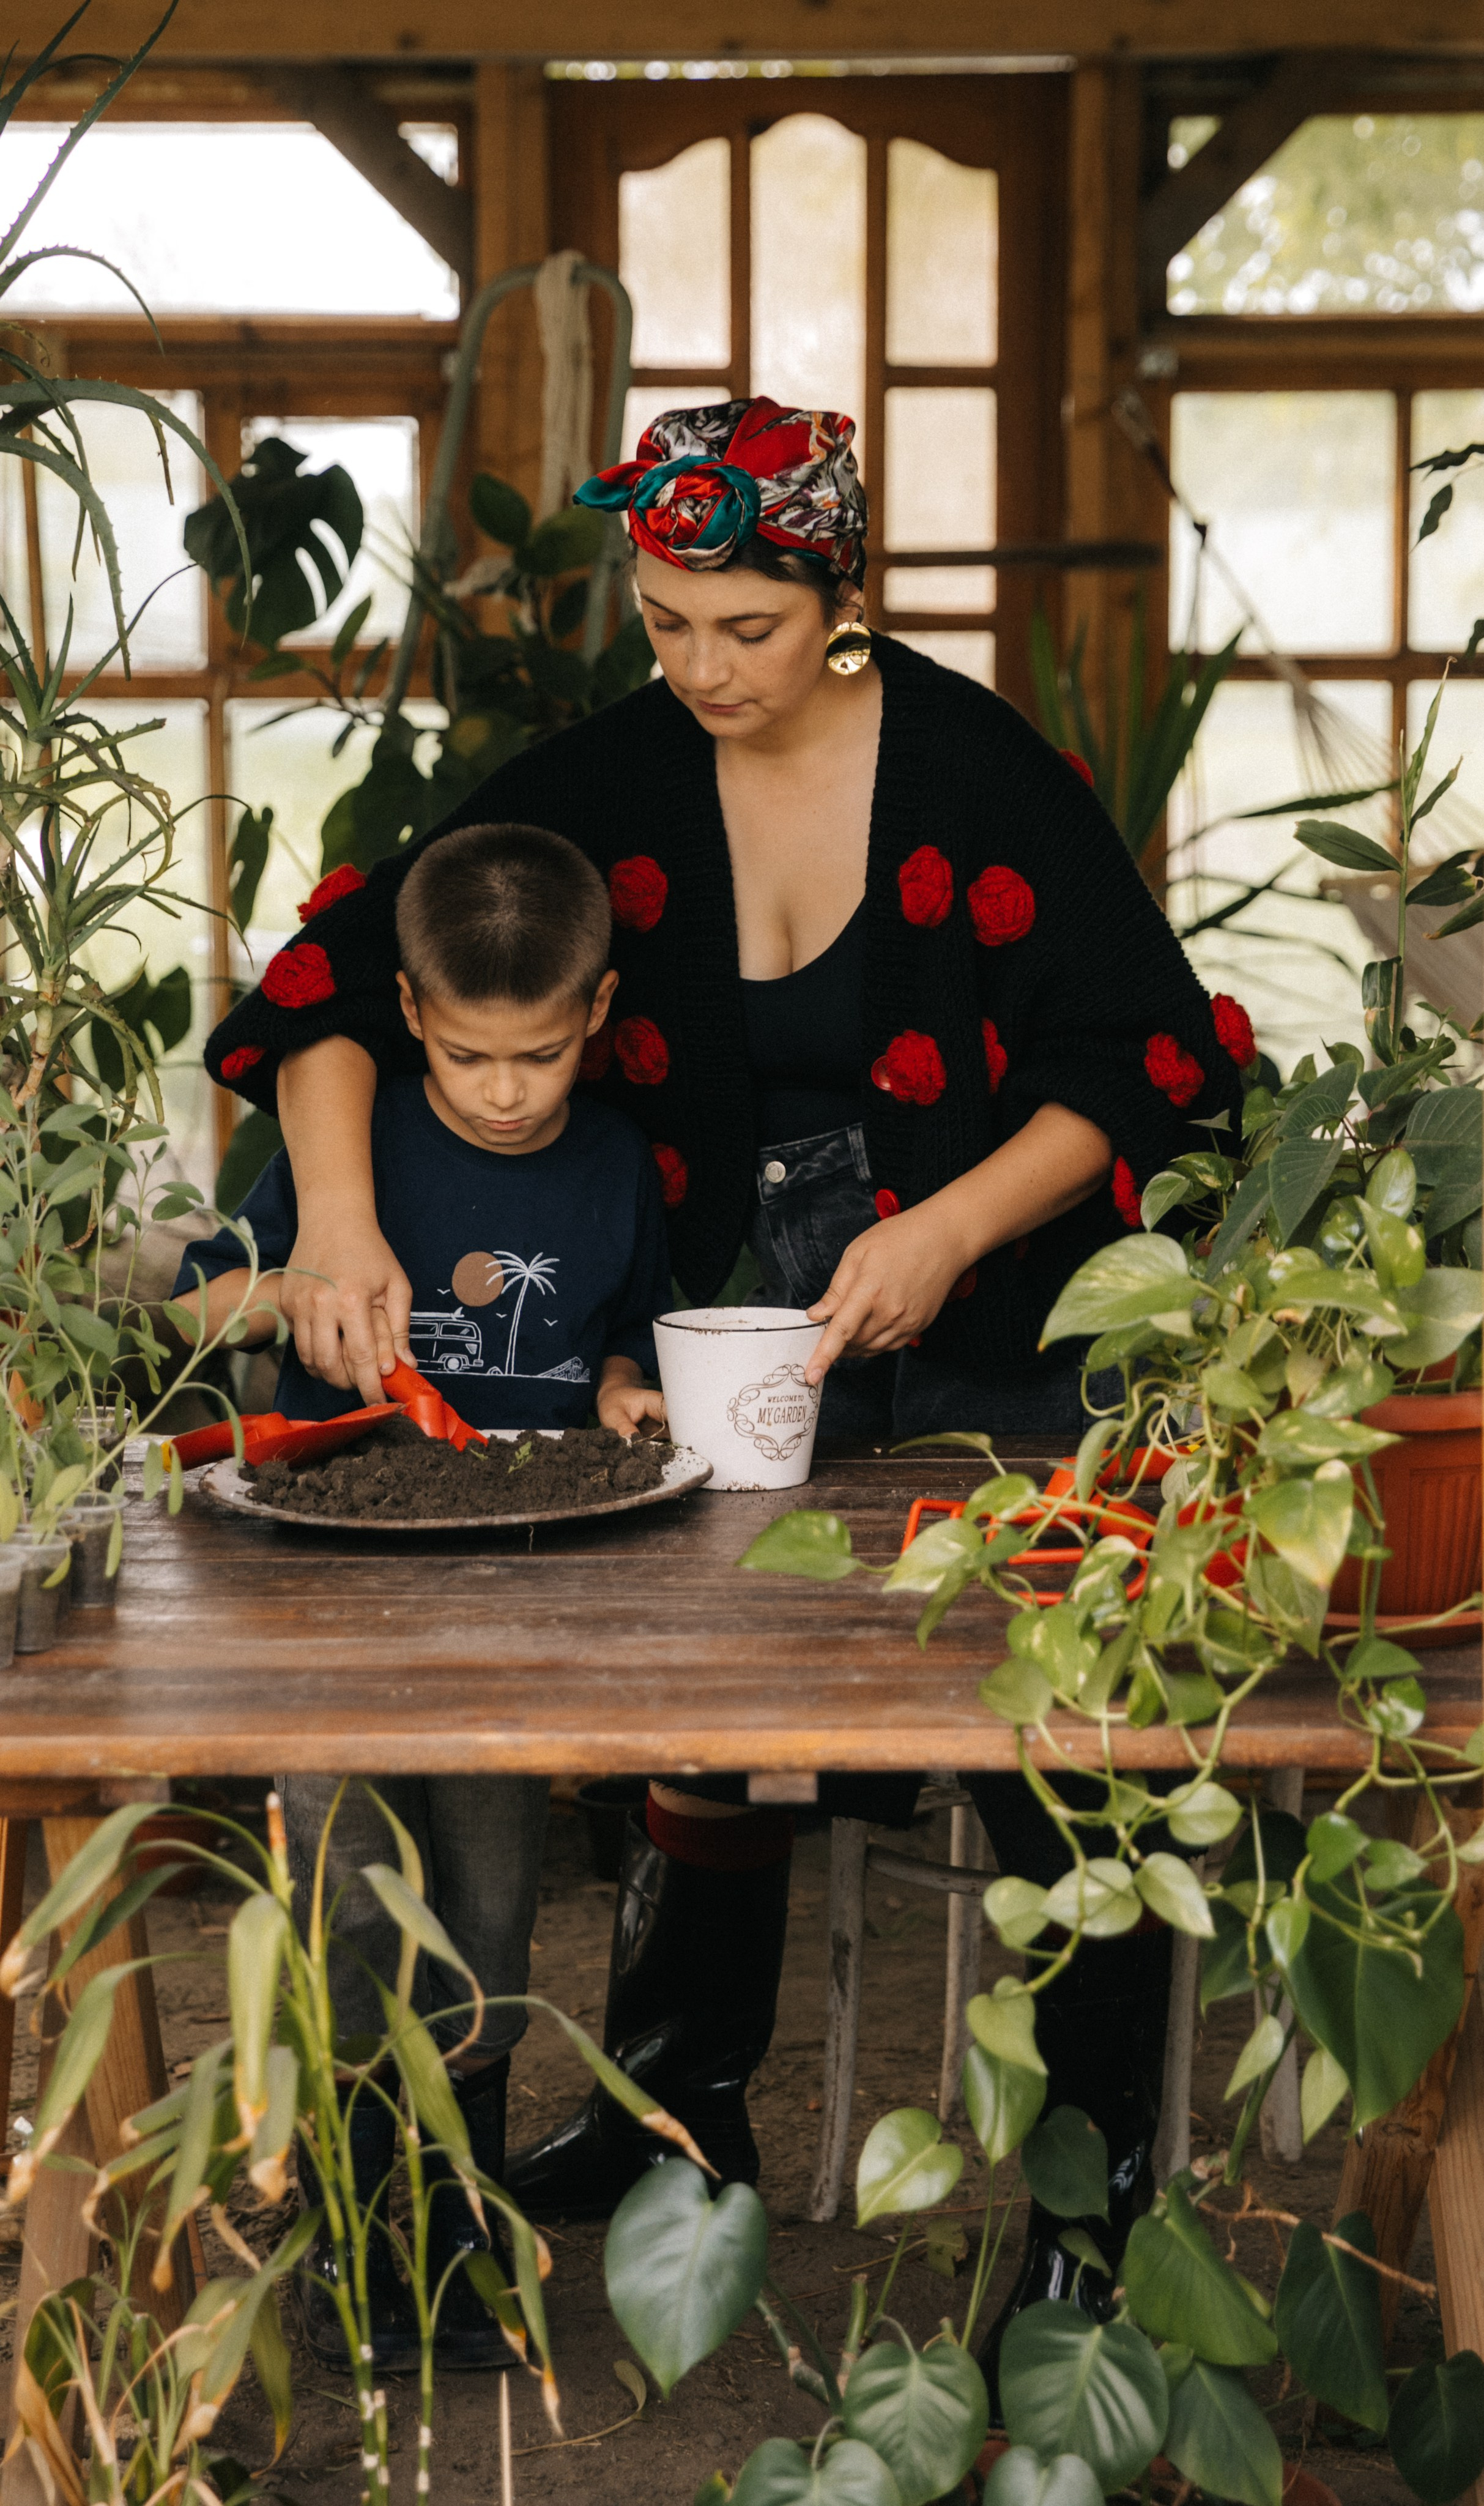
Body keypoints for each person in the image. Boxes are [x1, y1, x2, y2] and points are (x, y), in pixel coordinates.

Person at [205, 396, 1248, 2363]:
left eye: (743, 629)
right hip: (721, 1320)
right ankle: (671, 2103)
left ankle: (1084, 2216)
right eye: (668, 622)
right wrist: (335, 1224)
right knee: (695, 1700)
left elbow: (1144, 1058)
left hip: (992, 1326)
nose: (697, 670)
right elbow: (333, 978)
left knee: (1048, 1732)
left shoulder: (971, 770)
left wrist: (948, 1228)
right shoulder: (618, 771)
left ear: (839, 593)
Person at [176, 822, 672, 2372]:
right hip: (328, 1603)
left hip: (508, 1607)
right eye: (469, 1055)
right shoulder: (360, 1144)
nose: (506, 1091)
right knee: (344, 1907)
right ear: (406, 1010)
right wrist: (297, 1290)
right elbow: (204, 1302)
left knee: (489, 1914)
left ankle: (450, 2213)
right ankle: (350, 2212)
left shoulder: (614, 1167)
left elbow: (629, 1341)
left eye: (538, 1054)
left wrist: (618, 1391)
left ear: (594, 1014)